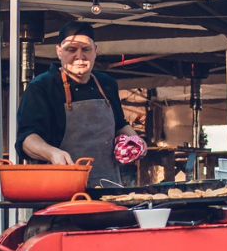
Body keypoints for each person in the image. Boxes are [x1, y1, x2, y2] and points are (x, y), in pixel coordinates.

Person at [15, 20, 139, 188]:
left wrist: (136, 140)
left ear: (95, 51)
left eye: (86, 49)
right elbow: (26, 139)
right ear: (59, 52)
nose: (80, 56)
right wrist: (52, 154)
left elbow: (119, 124)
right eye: (71, 50)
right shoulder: (42, 87)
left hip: (108, 186)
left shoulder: (107, 84)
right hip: (59, 190)